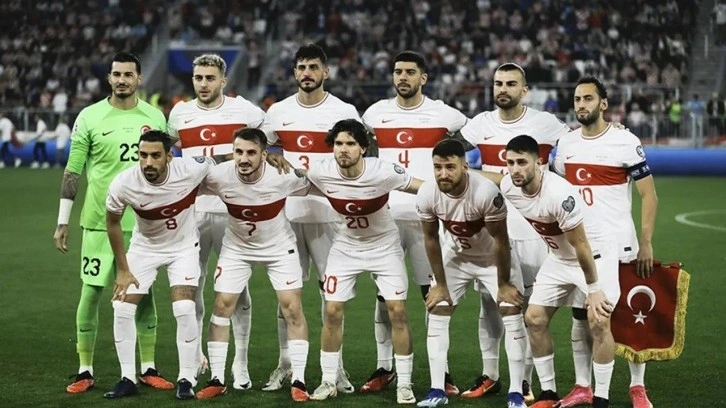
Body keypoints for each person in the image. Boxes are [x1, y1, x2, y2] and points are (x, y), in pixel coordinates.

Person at [53, 51, 170, 394]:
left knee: (143, 294)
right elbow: (73, 171)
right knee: (91, 292)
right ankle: (84, 369)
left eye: (128, 74)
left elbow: (167, 167)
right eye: (116, 74)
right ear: (109, 78)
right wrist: (63, 221)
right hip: (98, 222)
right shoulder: (89, 117)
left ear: (139, 79)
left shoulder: (154, 117)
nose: (122, 80)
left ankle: (147, 367)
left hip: (143, 223)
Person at [459, 63, 571, 402]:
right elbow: (452, 152)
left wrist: (612, 127)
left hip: (533, 230)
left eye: (511, 83)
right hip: (491, 229)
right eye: (498, 83)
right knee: (489, 304)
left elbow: (578, 142)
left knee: (529, 308)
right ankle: (491, 374)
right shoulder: (479, 124)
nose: (503, 89)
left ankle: (524, 381)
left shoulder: (546, 124)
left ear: (525, 90)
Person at [361, 50, 468, 396]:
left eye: (409, 72)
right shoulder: (375, 114)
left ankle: (442, 371)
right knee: (384, 296)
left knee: (432, 295)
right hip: (386, 218)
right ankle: (384, 367)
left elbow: (475, 141)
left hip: (429, 220)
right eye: (398, 72)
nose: (402, 77)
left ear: (423, 78)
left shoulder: (445, 114)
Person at [553, 76, 658, 408]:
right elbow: (559, 189)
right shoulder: (566, 144)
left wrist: (646, 242)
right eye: (577, 99)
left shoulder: (625, 141)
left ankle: (637, 386)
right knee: (581, 316)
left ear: (603, 104)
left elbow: (649, 195)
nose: (581, 104)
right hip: (580, 246)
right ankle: (583, 386)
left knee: (625, 316)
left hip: (619, 244)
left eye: (588, 98)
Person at [491, 135, 619, 408]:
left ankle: (601, 398)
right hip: (559, 258)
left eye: (522, 162)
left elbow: (581, 245)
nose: (515, 169)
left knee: (598, 321)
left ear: (539, 163)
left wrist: (594, 290)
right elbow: (493, 178)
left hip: (595, 256)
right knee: (534, 318)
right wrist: (465, 171)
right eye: (510, 162)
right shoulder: (510, 185)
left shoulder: (559, 194)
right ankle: (548, 393)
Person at [262, 43, 360, 393]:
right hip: (286, 215)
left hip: (330, 216)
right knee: (286, 294)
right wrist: (272, 156)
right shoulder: (278, 111)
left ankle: (338, 369)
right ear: (294, 73)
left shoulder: (344, 111)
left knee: (331, 296)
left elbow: (359, 155)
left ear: (325, 72)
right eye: (301, 67)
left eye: (313, 67)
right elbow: (264, 148)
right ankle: (286, 365)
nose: (307, 73)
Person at [305, 119, 422, 404]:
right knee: (332, 312)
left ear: (364, 148)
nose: (343, 149)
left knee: (397, 312)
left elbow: (423, 188)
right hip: (346, 247)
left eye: (350, 144)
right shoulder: (321, 171)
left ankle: (404, 384)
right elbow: (291, 178)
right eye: (338, 144)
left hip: (385, 247)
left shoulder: (383, 171)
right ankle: (328, 380)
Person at [167, 53, 266, 389]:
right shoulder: (180, 113)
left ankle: (241, 364)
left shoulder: (245, 110)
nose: (203, 84)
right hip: (191, 213)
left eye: (210, 78)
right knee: (191, 286)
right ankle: (195, 358)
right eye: (198, 78)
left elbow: (268, 142)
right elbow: (169, 155)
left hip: (232, 212)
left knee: (237, 290)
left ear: (224, 80)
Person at [194, 128, 312, 401]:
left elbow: (317, 184)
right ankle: (217, 379)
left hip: (279, 248)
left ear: (264, 154)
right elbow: (186, 182)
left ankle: (299, 380)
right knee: (222, 306)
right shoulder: (220, 175)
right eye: (238, 152)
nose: (244, 158)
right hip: (237, 248)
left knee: (292, 308)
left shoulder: (282, 175)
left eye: (251, 152)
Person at [415, 139, 527, 408]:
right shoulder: (427, 193)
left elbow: (501, 241)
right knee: (437, 308)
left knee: (510, 310)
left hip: (493, 258)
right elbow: (430, 239)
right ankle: (437, 389)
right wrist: (440, 284)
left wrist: (504, 284)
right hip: (458, 257)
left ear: (465, 167)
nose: (443, 173)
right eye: (438, 167)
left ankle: (516, 393)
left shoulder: (486, 192)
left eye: (450, 167)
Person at [104, 130, 215, 400]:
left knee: (184, 308)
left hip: (184, 248)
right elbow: (113, 222)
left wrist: (268, 160)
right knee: (121, 307)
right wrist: (123, 270)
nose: (148, 162)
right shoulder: (124, 183)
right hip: (145, 248)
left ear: (169, 156)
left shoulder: (190, 168)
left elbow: (220, 163)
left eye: (155, 156)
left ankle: (186, 378)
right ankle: (128, 378)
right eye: (143, 155)